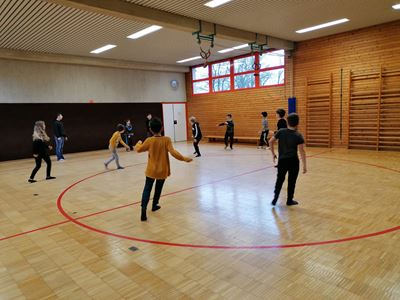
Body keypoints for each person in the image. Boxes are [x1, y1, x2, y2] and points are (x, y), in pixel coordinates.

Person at [135, 118, 192, 221]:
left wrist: (138, 143)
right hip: (162, 170)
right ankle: (154, 205)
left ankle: (143, 209)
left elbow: (138, 149)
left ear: (150, 129)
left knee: (147, 189)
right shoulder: (167, 139)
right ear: (162, 128)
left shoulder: (149, 140)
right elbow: (173, 152)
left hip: (151, 170)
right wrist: (184, 158)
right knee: (158, 188)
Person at [269, 113, 307, 206]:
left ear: (287, 123)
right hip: (293, 161)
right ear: (297, 123)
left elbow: (270, 141)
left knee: (280, 179)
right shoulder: (298, 135)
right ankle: (289, 200)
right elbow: (302, 151)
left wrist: (273, 154)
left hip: (282, 161)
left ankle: (275, 198)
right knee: (292, 181)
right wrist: (304, 166)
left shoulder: (281, 131)